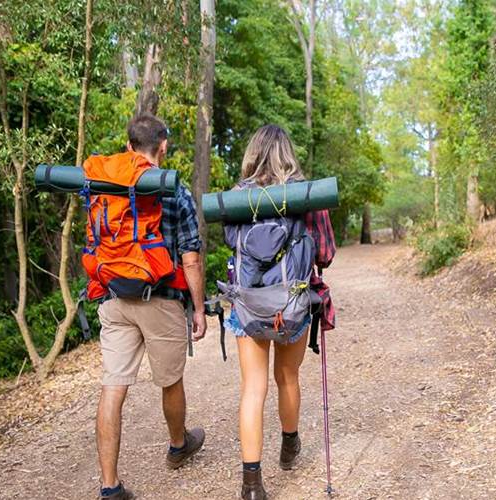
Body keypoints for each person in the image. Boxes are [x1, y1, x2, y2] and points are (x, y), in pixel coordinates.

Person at [93, 113, 207, 500]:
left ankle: (109, 486)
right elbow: (190, 257)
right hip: (160, 300)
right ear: (163, 146)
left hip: (114, 298)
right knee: (169, 379)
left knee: (113, 387)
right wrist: (198, 309)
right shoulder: (174, 189)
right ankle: (178, 445)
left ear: (128, 147)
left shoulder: (105, 185)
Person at [223, 125, 336, 500]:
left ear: (253, 153)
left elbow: (230, 243)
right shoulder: (306, 195)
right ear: (289, 153)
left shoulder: (238, 197)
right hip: (291, 303)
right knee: (287, 375)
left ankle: (251, 486)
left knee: (252, 388)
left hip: (249, 306)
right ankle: (289, 445)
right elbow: (325, 255)